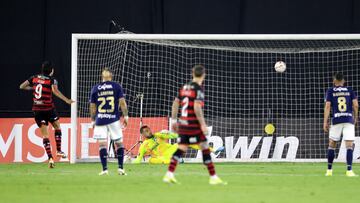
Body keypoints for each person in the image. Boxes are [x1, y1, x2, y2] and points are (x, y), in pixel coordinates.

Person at [163, 64, 226, 185]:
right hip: (193, 124)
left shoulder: (184, 87)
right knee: (205, 148)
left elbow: (175, 103)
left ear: (192, 73)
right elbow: (197, 107)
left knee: (181, 148)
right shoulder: (198, 88)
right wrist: (202, 124)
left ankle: (169, 174)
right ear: (204, 75)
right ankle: (213, 177)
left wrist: (174, 121)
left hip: (183, 123)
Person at [19, 61, 74, 168]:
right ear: (51, 71)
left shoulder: (34, 77)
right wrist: (66, 100)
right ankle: (58, 150)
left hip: (37, 110)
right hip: (48, 108)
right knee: (57, 126)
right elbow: (55, 91)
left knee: (45, 135)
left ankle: (50, 158)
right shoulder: (52, 80)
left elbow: (21, 86)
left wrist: (32, 88)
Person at [89, 68, 129, 176]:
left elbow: (93, 106)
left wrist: (92, 120)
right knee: (118, 143)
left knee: (103, 144)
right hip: (113, 119)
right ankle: (119, 168)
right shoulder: (116, 86)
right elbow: (122, 103)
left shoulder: (96, 88)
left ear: (103, 76)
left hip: (100, 119)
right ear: (110, 76)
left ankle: (105, 169)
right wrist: (126, 116)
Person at [323, 72, 358, 177]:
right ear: (343, 81)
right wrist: (355, 117)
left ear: (334, 81)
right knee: (349, 146)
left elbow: (328, 106)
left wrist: (325, 121)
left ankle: (329, 171)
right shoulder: (350, 90)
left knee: (332, 144)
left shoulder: (330, 91)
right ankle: (349, 171)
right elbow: (356, 105)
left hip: (336, 119)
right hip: (348, 119)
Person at [133, 125, 220, 164]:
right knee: (151, 160)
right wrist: (132, 163)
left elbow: (174, 136)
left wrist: (168, 133)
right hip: (161, 157)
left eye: (149, 130)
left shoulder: (158, 135)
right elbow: (139, 159)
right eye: (146, 131)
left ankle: (213, 150)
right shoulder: (144, 145)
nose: (149, 131)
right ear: (143, 135)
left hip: (171, 151)